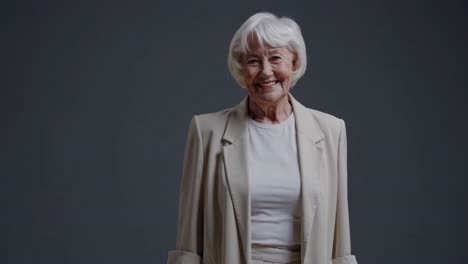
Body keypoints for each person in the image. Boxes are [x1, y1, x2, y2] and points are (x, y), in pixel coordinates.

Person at [167, 12, 358, 264]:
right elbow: (189, 237)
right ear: (240, 68)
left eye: (276, 58)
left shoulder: (330, 131)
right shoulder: (206, 131)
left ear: (294, 63)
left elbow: (339, 234)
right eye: (254, 61)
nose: (266, 72)